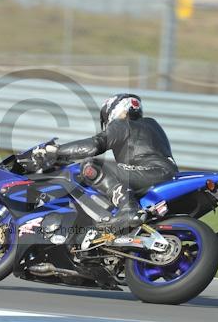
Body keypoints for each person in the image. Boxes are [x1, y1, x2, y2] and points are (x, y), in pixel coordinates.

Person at [35, 93, 178, 233]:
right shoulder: (152, 124)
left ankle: (128, 208)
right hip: (167, 174)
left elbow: (93, 145)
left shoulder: (122, 124)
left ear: (114, 110)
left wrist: (57, 150)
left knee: (91, 166)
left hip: (150, 172)